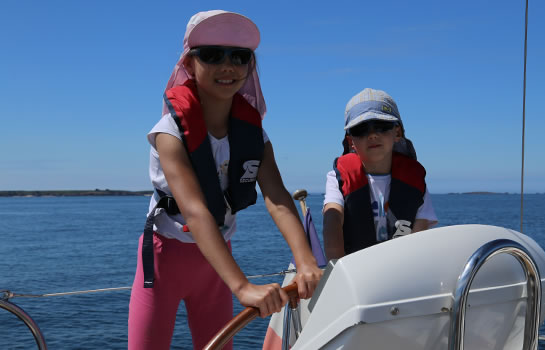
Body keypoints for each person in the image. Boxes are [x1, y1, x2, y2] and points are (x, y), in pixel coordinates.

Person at [128, 10, 322, 350]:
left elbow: (276, 197)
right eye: (212, 55)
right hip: (162, 263)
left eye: (240, 56)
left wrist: (305, 260)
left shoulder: (255, 138)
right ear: (189, 64)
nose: (228, 65)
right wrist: (243, 287)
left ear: (250, 66)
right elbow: (196, 212)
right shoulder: (169, 134)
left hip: (216, 264)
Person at [323, 88, 438, 260]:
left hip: (401, 269)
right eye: (361, 129)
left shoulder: (414, 180)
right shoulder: (337, 178)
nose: (372, 135)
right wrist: (336, 269)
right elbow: (332, 219)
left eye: (382, 127)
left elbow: (420, 230)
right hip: (353, 270)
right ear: (351, 141)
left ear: (397, 133)